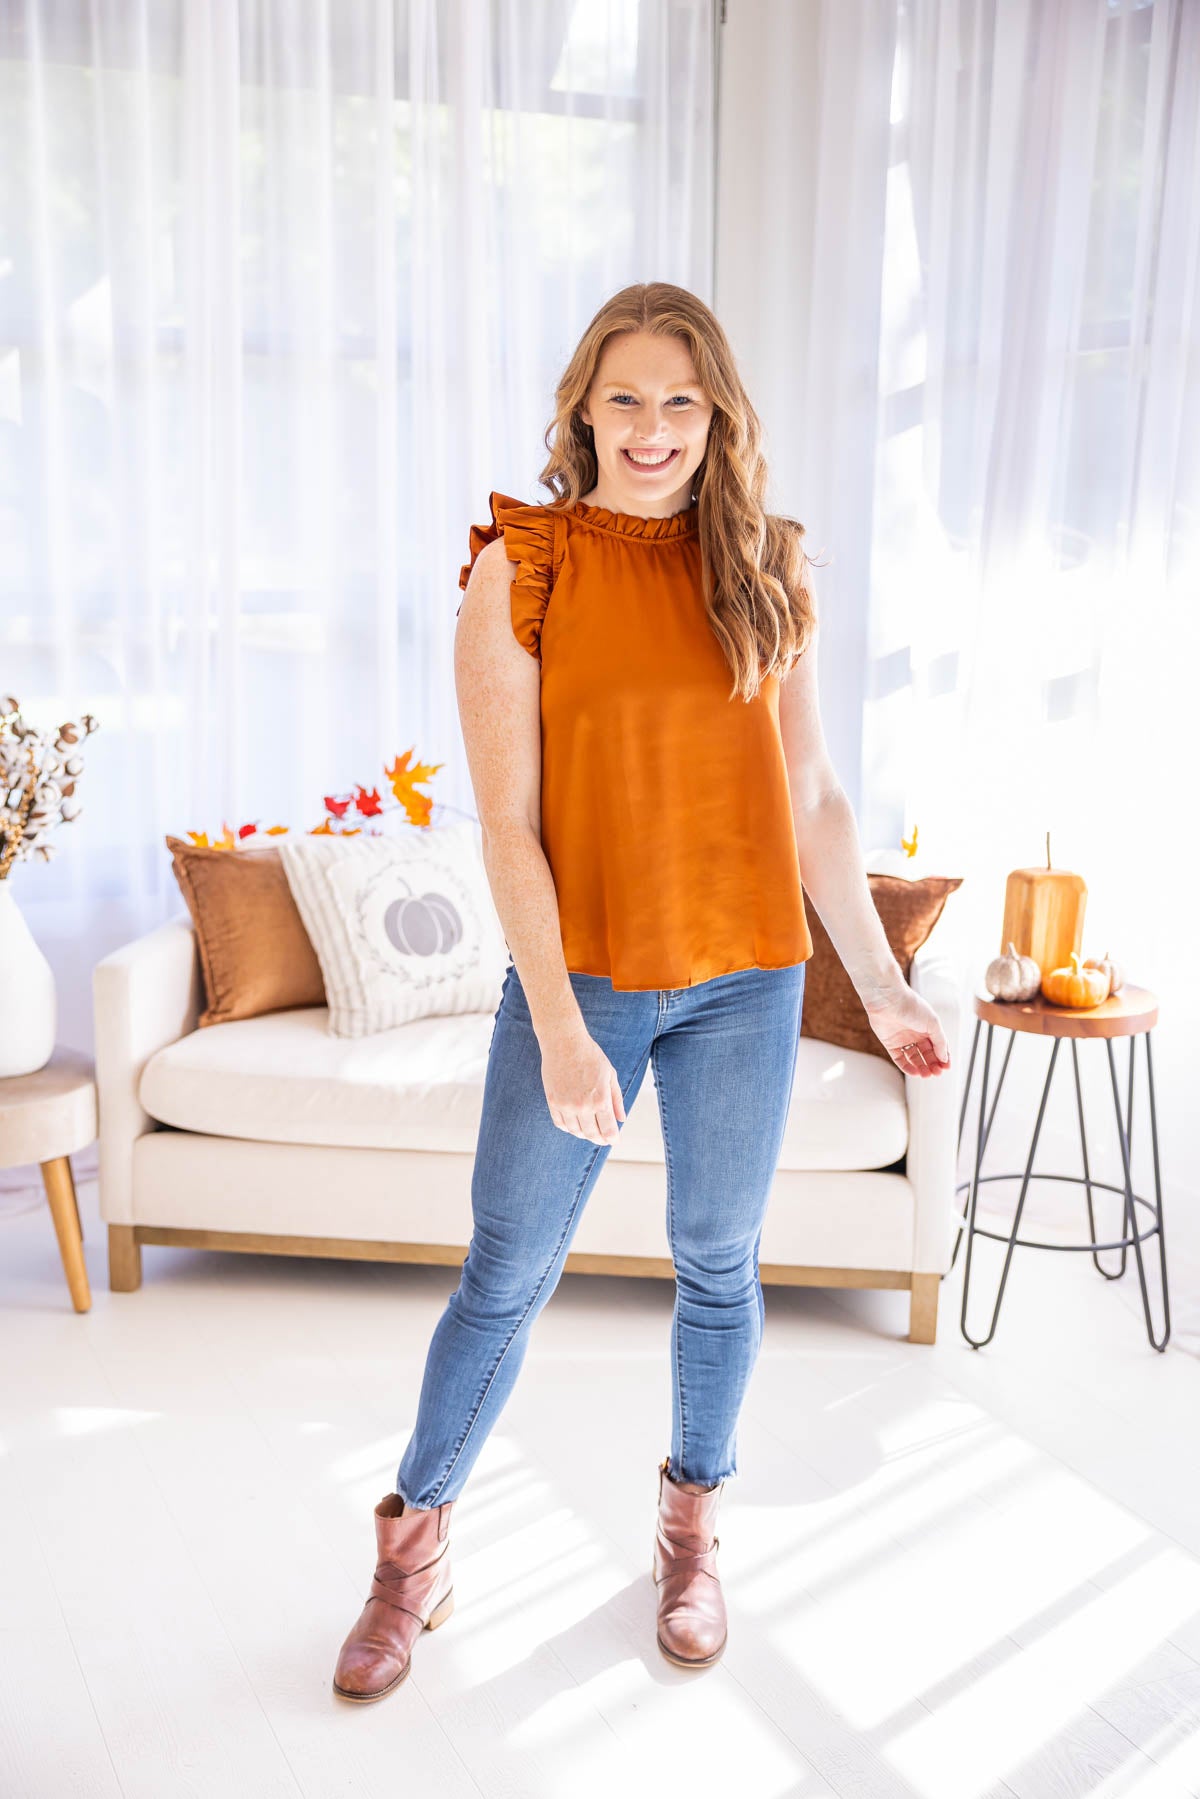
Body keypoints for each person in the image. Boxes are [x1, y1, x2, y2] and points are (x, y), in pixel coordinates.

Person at [333, 281, 951, 1704]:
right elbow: (507, 827)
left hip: (748, 980)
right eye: (626, 398)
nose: (653, 427)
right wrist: (559, 1025)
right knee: (505, 1273)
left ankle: (690, 1537)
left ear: (717, 415)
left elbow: (812, 794)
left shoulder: (769, 567)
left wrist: (880, 984)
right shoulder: (523, 564)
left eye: (682, 400)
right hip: (587, 978)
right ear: (584, 409)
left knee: (721, 1265)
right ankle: (412, 1560)